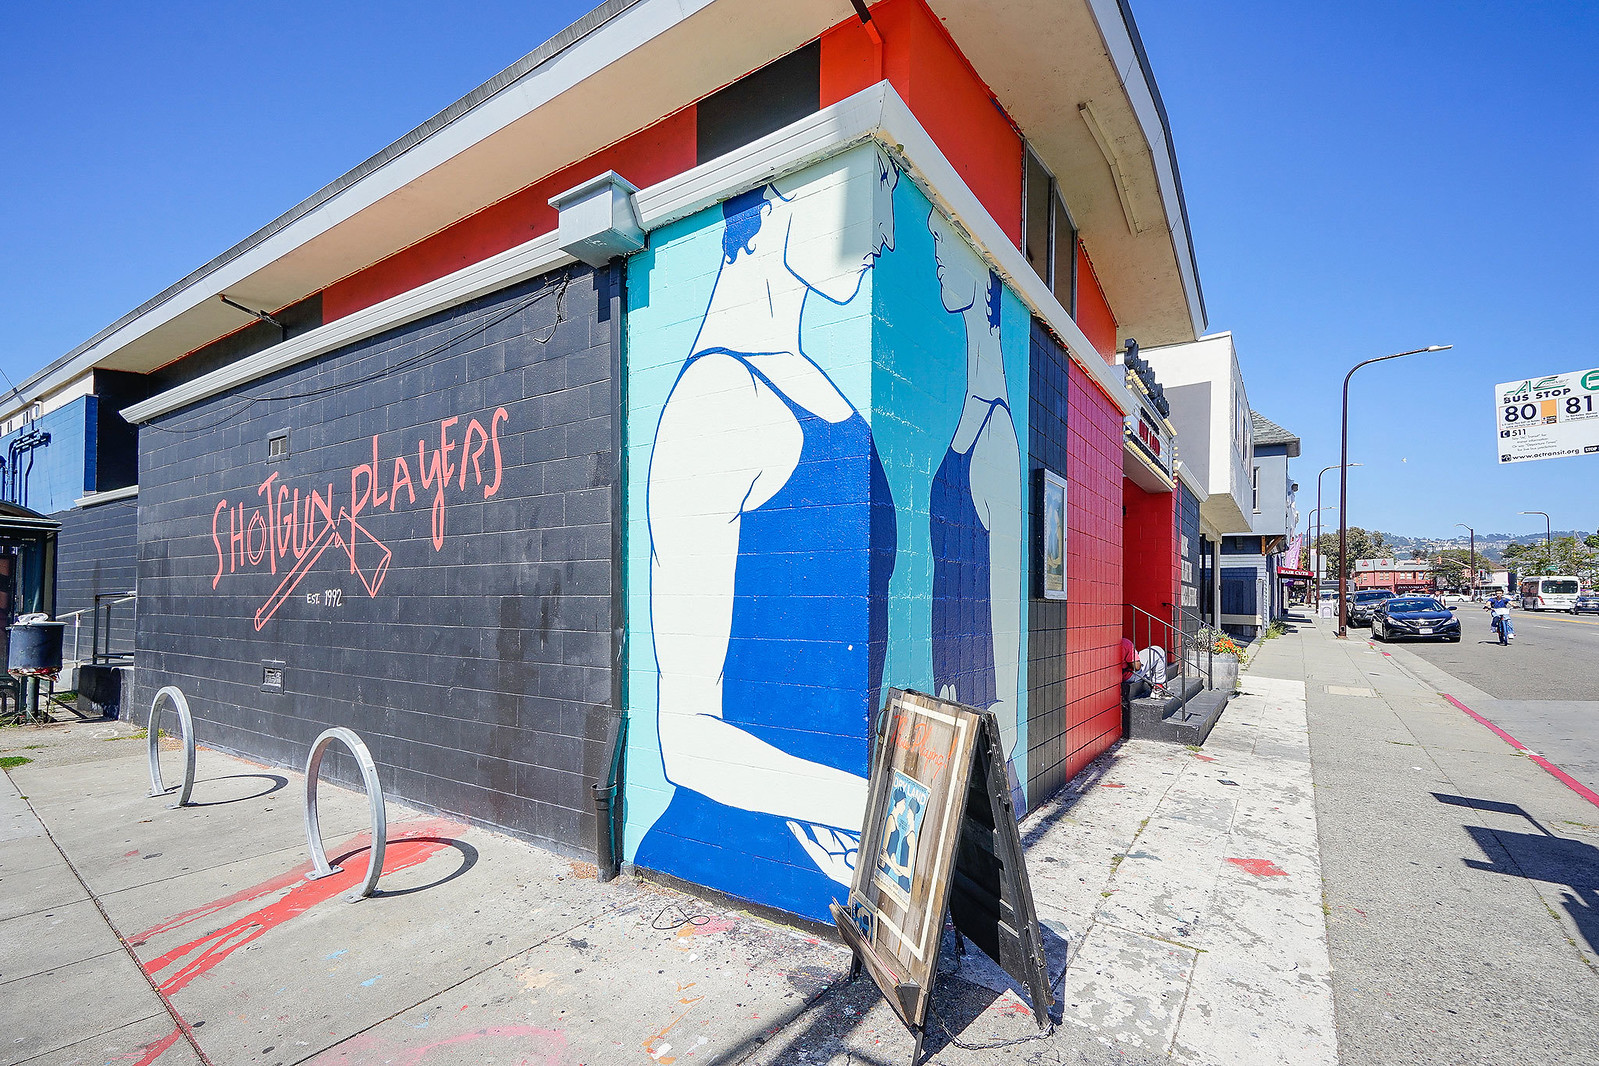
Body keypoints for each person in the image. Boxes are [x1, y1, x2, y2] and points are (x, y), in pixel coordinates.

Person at [638, 146, 900, 922]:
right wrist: (876, 811)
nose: (885, 231)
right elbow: (686, 737)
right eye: (874, 189)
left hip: (835, 843)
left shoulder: (820, 392)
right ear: (779, 197)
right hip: (741, 845)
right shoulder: (717, 397)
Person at [927, 208, 1024, 813]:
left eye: (944, 236)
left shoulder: (997, 435)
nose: (936, 243)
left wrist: (1001, 740)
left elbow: (1005, 604)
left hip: (981, 731)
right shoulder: (970, 416)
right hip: (950, 710)